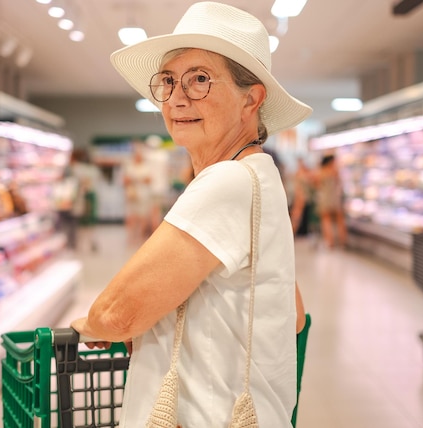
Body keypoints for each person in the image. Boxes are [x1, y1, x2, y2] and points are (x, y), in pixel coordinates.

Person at [71, 2, 312, 427]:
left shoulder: (227, 184)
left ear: (251, 99)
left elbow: (116, 313)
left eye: (200, 79)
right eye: (168, 81)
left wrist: (88, 327)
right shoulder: (260, 176)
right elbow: (293, 314)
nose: (177, 98)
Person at [314, 154, 347, 248]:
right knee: (340, 220)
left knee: (326, 220)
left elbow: (316, 185)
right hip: (334, 198)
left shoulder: (320, 172)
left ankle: (330, 241)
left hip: (324, 198)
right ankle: (343, 241)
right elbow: (339, 183)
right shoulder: (335, 171)